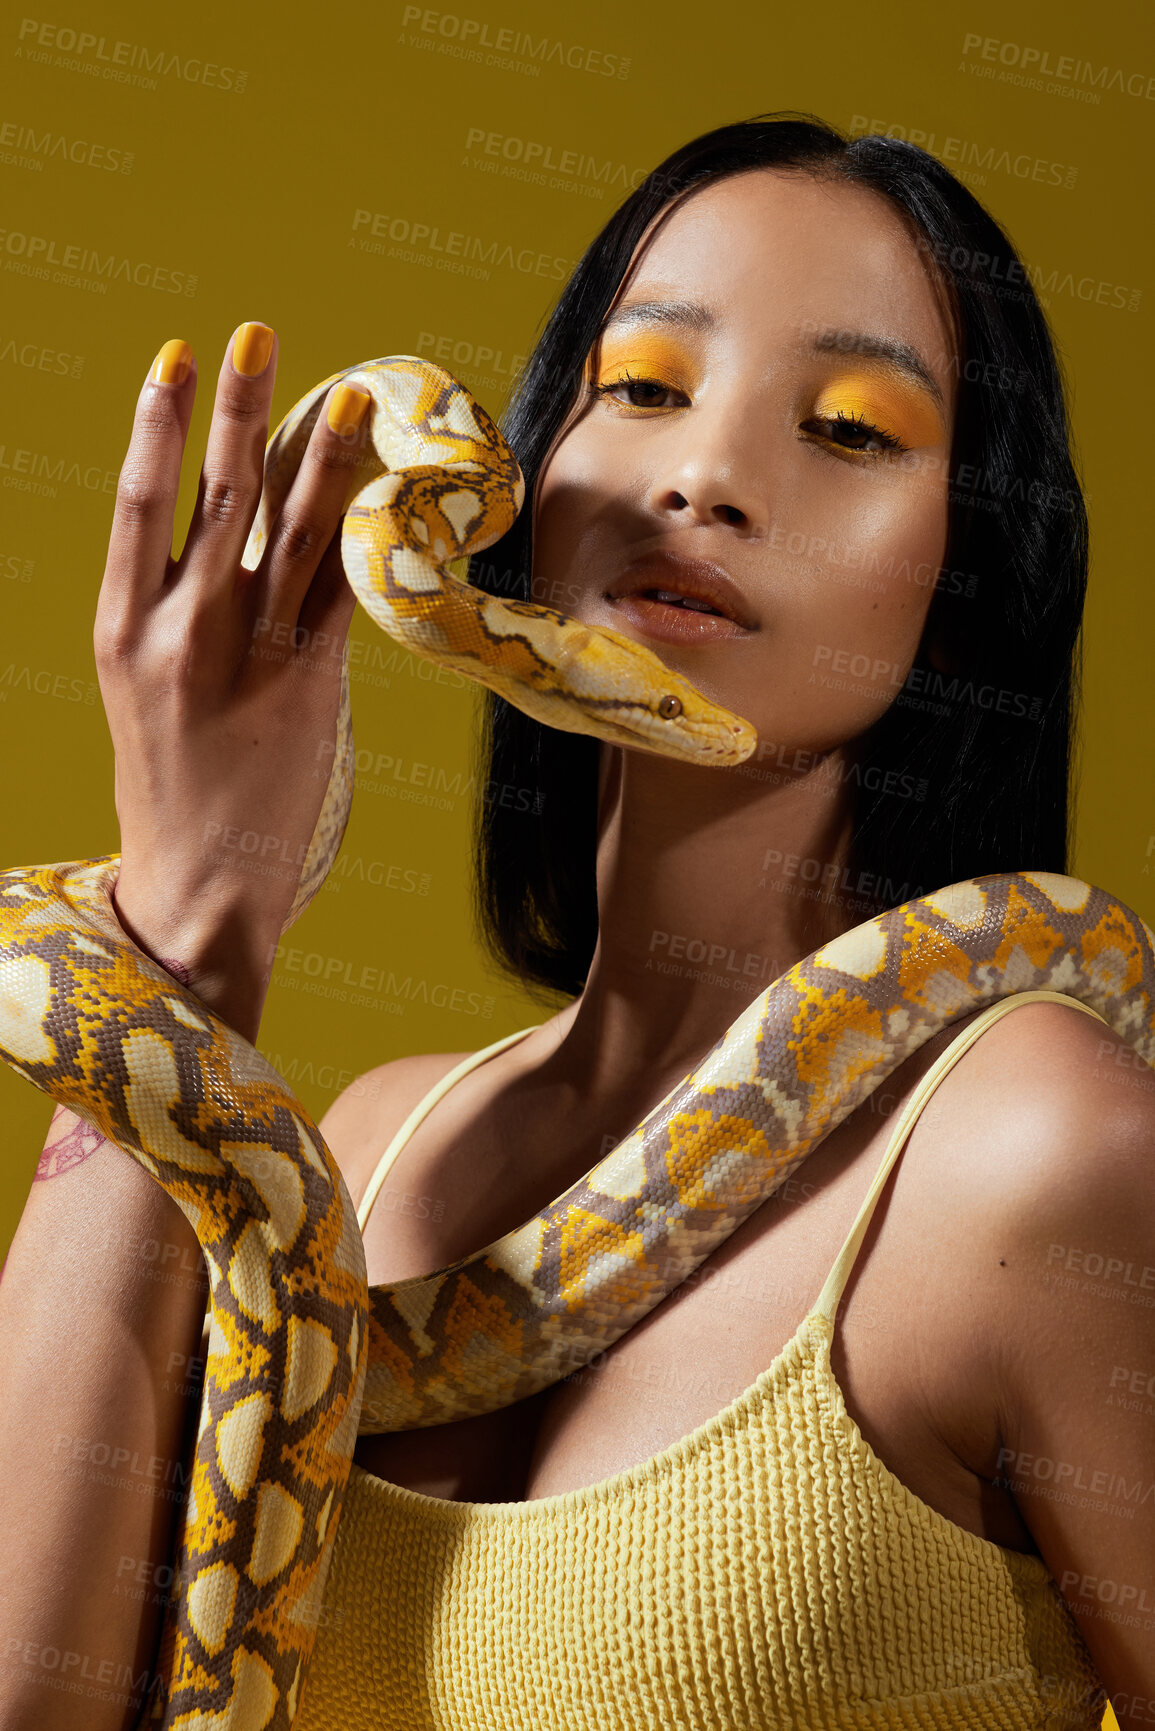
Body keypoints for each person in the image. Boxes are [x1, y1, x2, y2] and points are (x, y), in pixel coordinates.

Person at [0, 115, 1150, 1729]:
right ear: (519, 509)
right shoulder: (371, 1155)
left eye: (852, 426)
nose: (704, 474)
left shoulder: (1045, 1156)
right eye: (646, 385)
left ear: (971, 598)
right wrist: (183, 933)